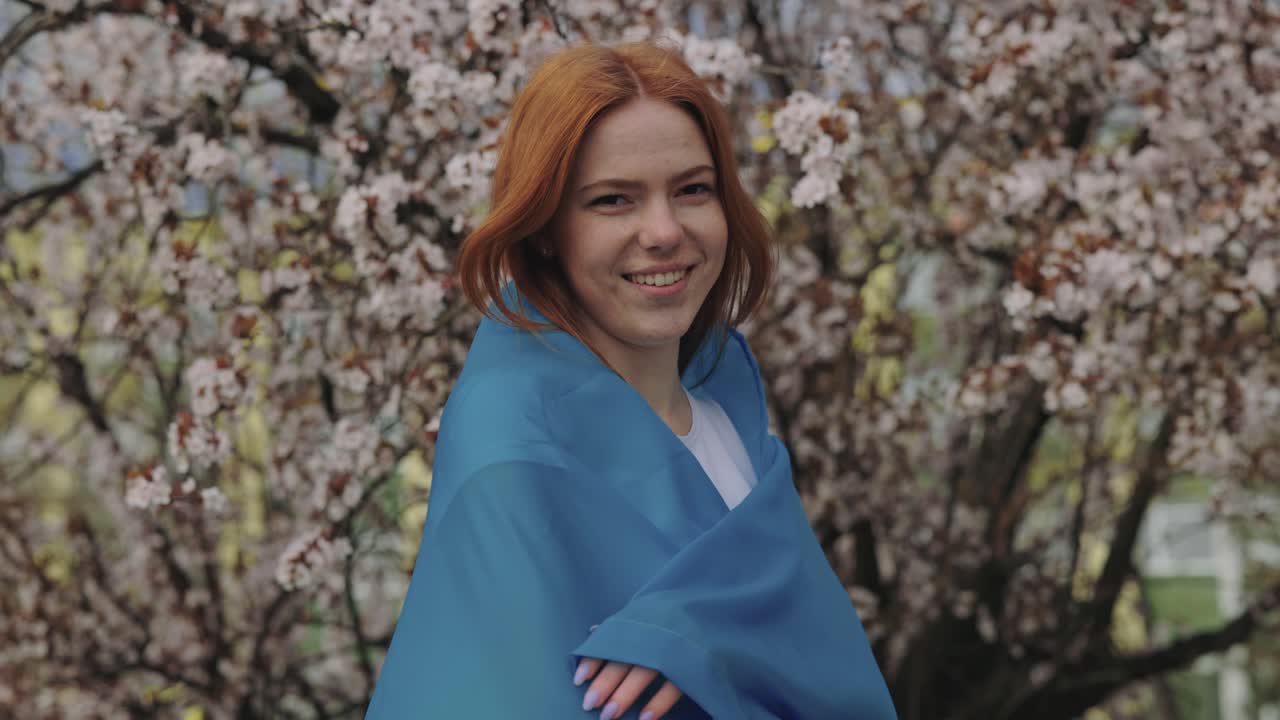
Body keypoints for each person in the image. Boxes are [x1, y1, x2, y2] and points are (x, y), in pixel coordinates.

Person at [364, 41, 898, 720]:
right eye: (613, 200)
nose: (665, 231)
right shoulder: (511, 450)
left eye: (693, 190)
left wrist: (719, 633)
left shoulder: (730, 413)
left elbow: (826, 657)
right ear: (546, 229)